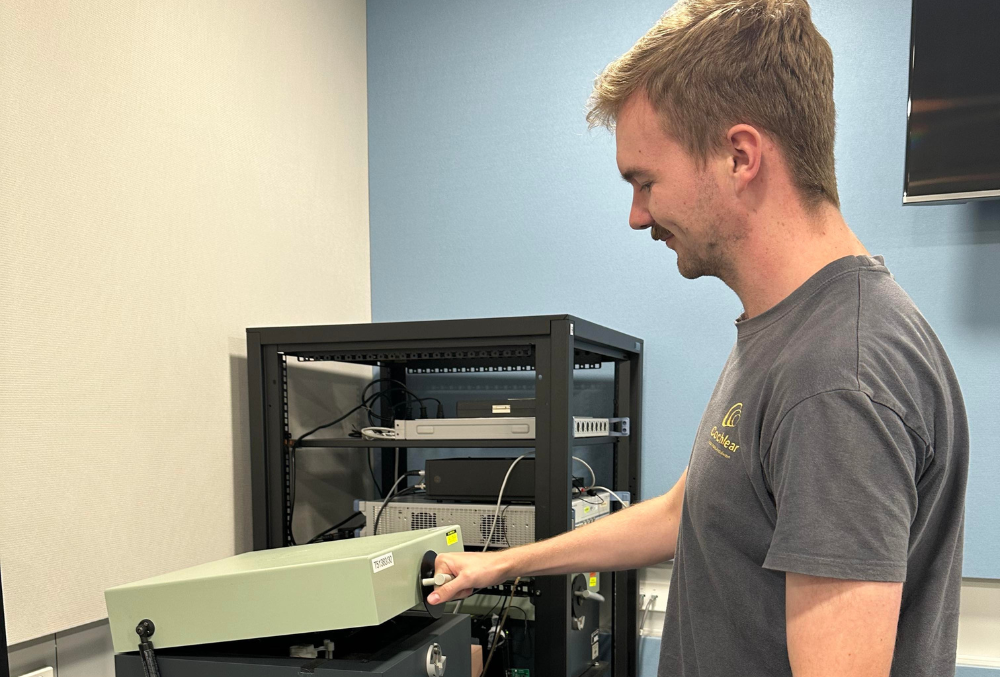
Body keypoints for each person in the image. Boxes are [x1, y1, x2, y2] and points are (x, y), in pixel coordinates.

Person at [427, 1, 969, 675]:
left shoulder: (836, 375)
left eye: (645, 181)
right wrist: (501, 563)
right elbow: (686, 511)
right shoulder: (787, 332)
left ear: (739, 156)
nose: (636, 215)